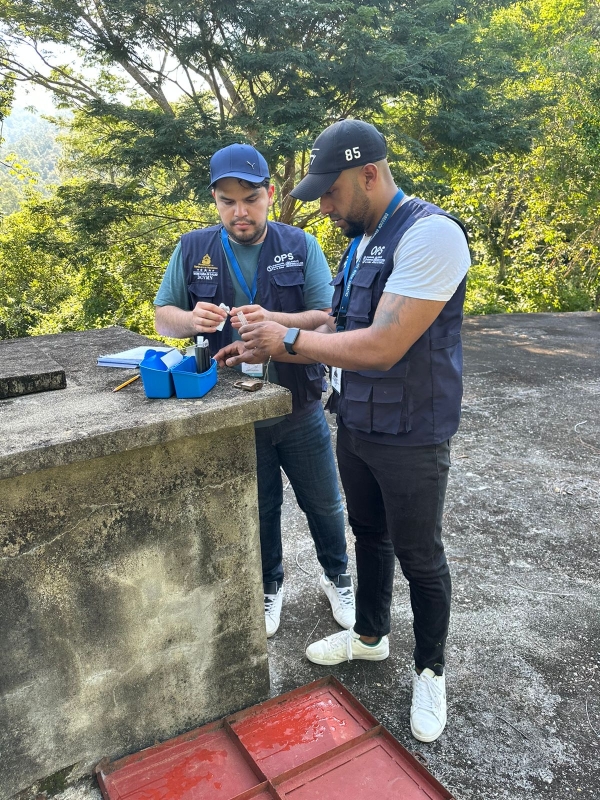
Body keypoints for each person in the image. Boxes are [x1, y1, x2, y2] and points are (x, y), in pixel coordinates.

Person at [216, 120, 471, 743]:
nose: (324, 208)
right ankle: (370, 637)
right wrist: (263, 336)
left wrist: (290, 340)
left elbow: (384, 345)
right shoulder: (363, 237)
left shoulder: (432, 236)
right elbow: (340, 323)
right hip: (357, 419)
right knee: (369, 536)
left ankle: (431, 670)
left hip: (413, 430)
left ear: (369, 174)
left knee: (420, 554)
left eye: (330, 193)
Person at [154, 143, 355, 639]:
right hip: (231, 411)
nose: (239, 212)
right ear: (215, 201)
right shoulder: (192, 248)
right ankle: (269, 586)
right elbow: (164, 315)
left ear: (269, 195)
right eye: (227, 201)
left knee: (326, 504)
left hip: (298, 402)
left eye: (249, 198)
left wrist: (274, 324)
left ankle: (339, 577)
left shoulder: (300, 245)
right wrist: (189, 319)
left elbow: (327, 318)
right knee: (259, 508)